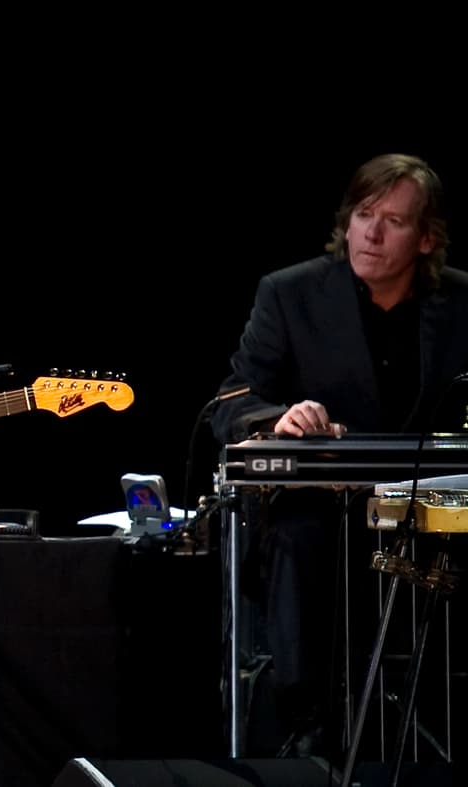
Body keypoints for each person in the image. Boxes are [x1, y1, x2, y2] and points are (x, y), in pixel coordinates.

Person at [211, 153, 468, 755]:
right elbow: (230, 401)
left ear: (426, 238)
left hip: (436, 508)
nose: (372, 233)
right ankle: (311, 729)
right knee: (301, 538)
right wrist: (279, 418)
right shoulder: (289, 293)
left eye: (394, 221)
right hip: (328, 510)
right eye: (364, 214)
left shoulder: (461, 303)